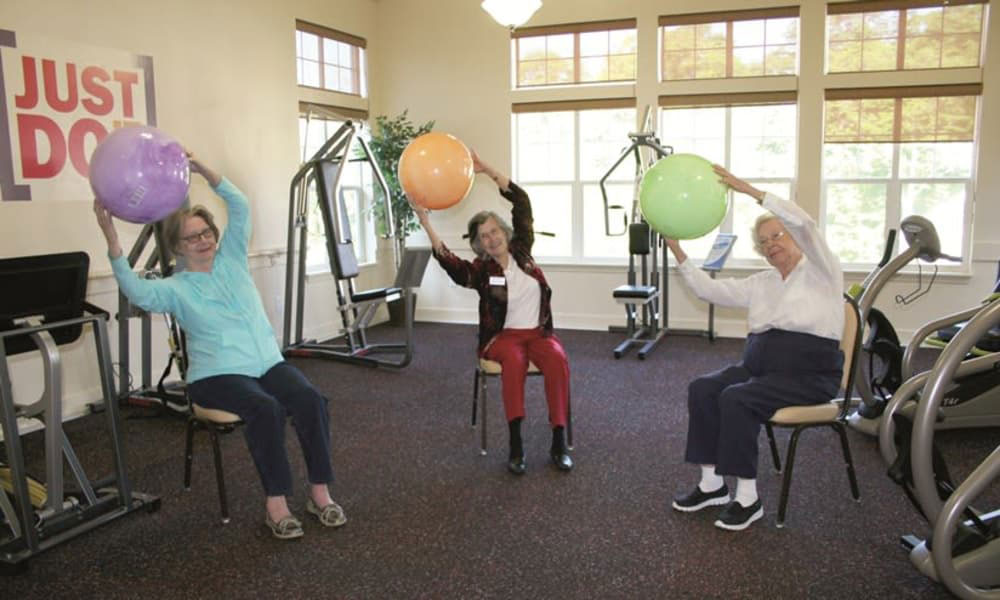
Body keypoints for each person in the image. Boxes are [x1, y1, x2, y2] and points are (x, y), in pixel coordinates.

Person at [94, 153, 345, 540]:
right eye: (191, 238)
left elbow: (240, 205)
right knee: (265, 408)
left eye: (206, 232)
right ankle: (276, 505)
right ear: (177, 247)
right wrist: (112, 242)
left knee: (310, 399)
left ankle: (319, 493)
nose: (203, 241)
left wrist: (203, 170)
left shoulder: (232, 260)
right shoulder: (176, 288)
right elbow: (136, 292)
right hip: (216, 376)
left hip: (266, 364)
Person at [667, 165, 844, 531]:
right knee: (702, 388)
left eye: (777, 235)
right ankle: (711, 484)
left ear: (793, 238)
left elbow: (805, 224)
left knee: (737, 398)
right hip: (759, 368)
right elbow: (709, 291)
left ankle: (748, 498)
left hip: (809, 375)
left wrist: (750, 191)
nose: (771, 244)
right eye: (763, 241)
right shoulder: (762, 282)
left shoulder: (823, 272)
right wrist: (678, 251)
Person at [413, 151, 573, 475]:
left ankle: (559, 439)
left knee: (557, 359)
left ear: (504, 232)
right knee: (513, 362)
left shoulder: (523, 251)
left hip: (538, 333)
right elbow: (451, 264)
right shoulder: (481, 270)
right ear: (480, 244)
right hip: (503, 338)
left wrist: (487, 170)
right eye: (484, 236)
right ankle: (516, 444)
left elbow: (522, 202)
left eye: (494, 231)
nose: (492, 238)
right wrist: (425, 222)